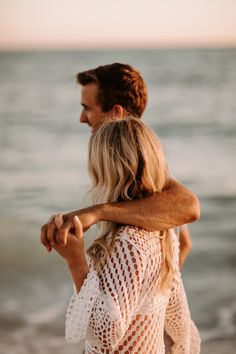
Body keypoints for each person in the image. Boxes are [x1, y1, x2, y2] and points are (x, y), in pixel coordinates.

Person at [51, 118, 200, 353]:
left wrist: (75, 261)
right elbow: (177, 317)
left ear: (107, 173)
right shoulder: (162, 231)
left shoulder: (129, 243)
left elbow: (105, 333)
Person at [41, 63, 199, 265]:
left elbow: (190, 206)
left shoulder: (149, 177)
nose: (82, 118)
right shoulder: (152, 169)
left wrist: (98, 212)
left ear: (116, 113)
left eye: (87, 109)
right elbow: (185, 244)